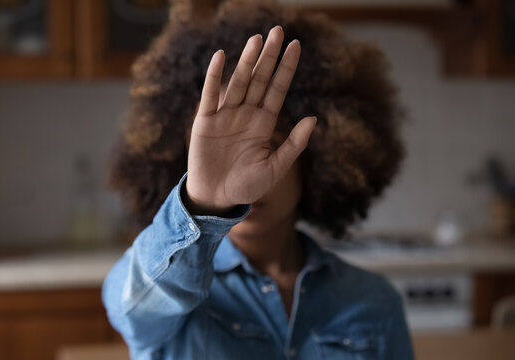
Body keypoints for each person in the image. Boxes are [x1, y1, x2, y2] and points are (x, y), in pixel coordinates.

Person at [102, 1, 414, 359]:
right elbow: (128, 305)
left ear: (313, 159)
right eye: (216, 154)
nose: (243, 175)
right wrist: (205, 201)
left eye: (268, 147)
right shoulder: (170, 291)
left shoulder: (372, 301)